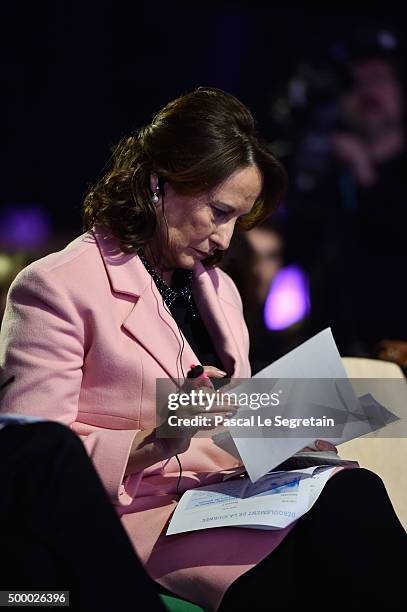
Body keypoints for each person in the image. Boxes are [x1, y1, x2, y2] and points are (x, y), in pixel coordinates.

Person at [1, 87, 406, 611]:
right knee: (337, 537)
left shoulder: (219, 287)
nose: (225, 238)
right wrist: (154, 440)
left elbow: (224, 418)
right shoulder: (57, 285)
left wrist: (290, 439)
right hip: (140, 524)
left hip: (229, 502)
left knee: (354, 489)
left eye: (238, 217)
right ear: (159, 184)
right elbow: (29, 462)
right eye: (219, 211)